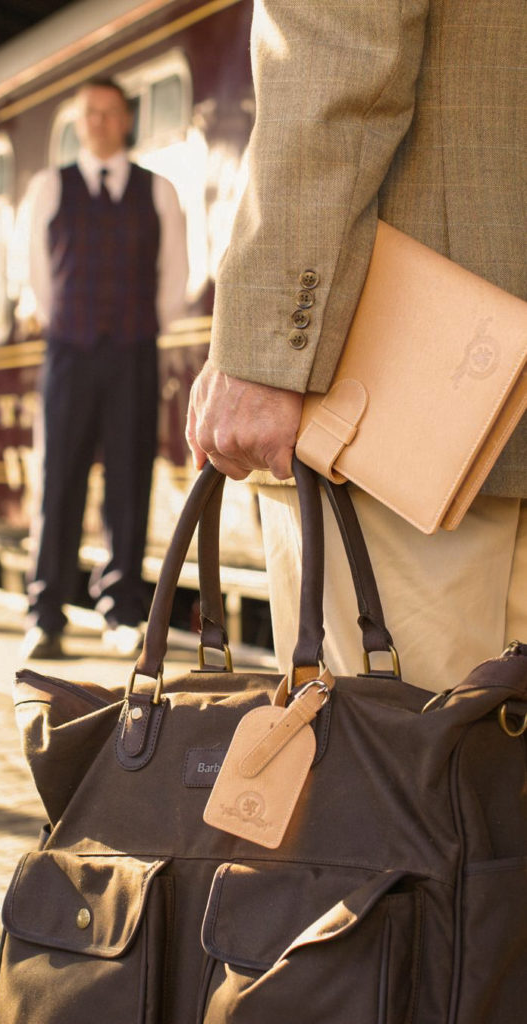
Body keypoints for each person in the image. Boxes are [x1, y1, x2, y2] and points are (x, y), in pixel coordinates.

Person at [187, 0, 526, 692]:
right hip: (449, 417)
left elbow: (336, 53)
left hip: (409, 415)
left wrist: (261, 355)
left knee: (398, 774)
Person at [22, 77, 188, 659]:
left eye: (109, 112)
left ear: (125, 120)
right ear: (78, 122)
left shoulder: (158, 191)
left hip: (134, 353)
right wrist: (70, 322)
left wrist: (138, 327)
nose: (98, 122)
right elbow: (37, 278)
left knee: (129, 481)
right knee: (57, 481)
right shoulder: (49, 188)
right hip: (67, 351)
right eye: (88, 113)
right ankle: (45, 615)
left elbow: (174, 279)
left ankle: (120, 612)